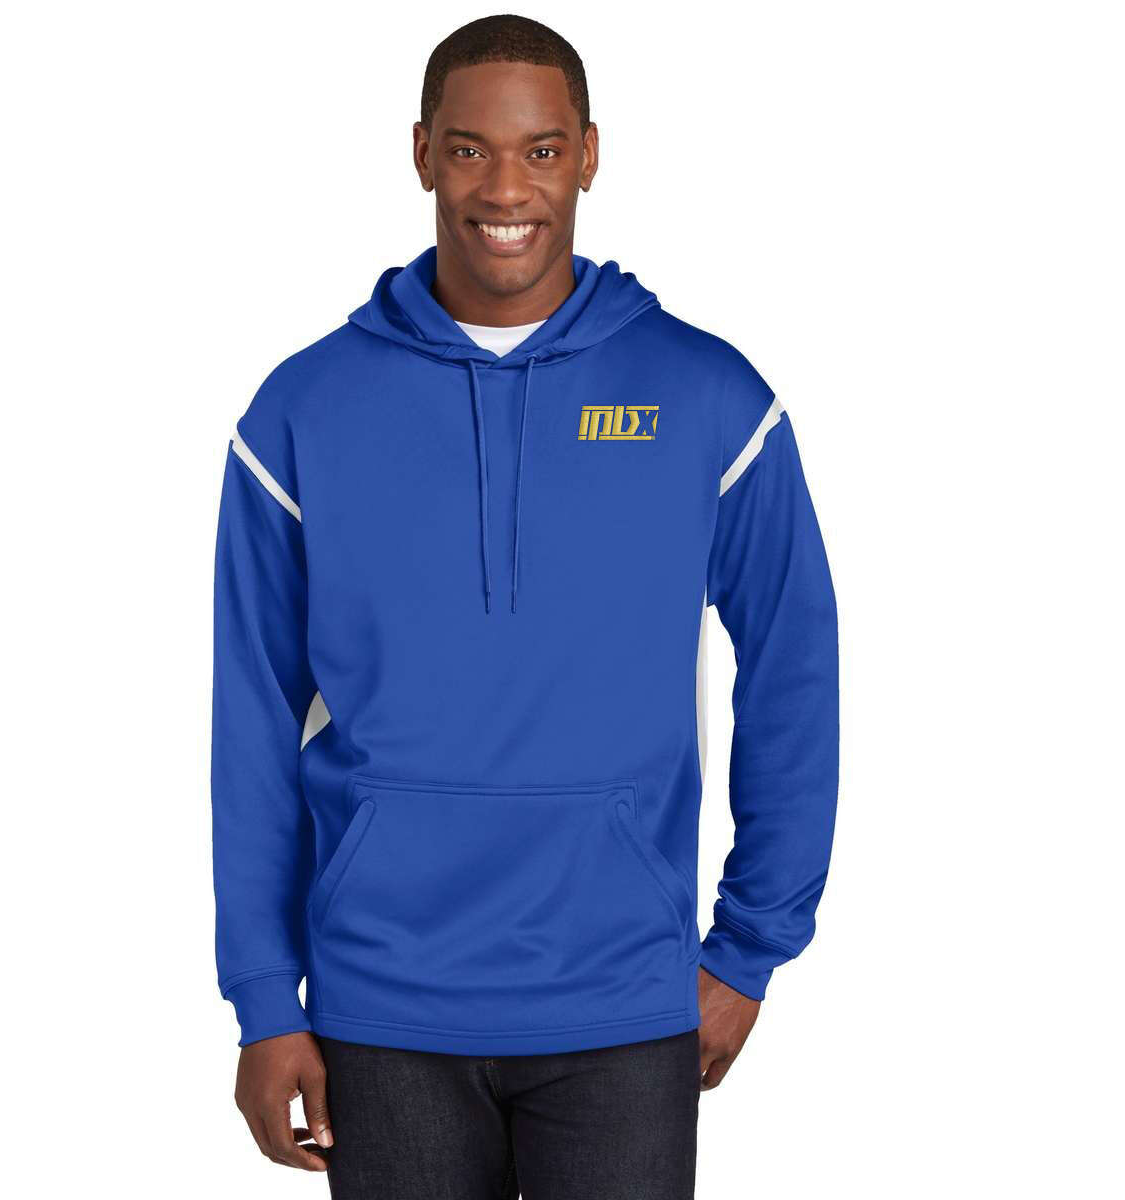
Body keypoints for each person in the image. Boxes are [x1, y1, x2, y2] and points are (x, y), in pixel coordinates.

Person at [211, 14, 838, 1199]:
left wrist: (752, 949)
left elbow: (795, 669)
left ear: (589, 155)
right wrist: (261, 999)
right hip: (381, 1005)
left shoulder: (707, 398)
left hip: (623, 1001)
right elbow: (250, 716)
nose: (506, 190)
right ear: (421, 153)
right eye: (470, 150)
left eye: (541, 151)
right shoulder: (302, 410)